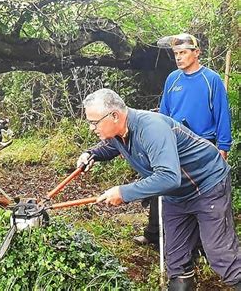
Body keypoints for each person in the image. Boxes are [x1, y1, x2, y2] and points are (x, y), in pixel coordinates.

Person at [77, 88, 240, 290]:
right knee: (176, 260)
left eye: (94, 123)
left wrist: (123, 192)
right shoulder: (119, 132)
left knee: (221, 256)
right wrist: (90, 154)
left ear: (114, 115)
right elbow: (112, 146)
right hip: (175, 196)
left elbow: (169, 177)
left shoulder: (151, 129)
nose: (92, 129)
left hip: (207, 185)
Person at [134, 33, 233, 247]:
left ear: (196, 53)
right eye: (176, 54)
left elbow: (223, 115)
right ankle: (153, 233)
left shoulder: (211, 79)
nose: (179, 58)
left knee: (199, 192)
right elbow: (163, 114)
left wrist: (223, 147)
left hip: (203, 145)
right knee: (161, 182)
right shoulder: (173, 79)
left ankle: (200, 243)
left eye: (183, 53)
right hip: (174, 142)